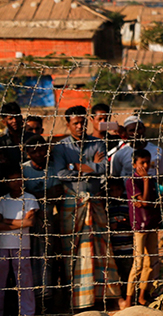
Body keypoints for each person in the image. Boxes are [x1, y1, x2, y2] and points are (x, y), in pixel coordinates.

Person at [51, 104, 121, 310]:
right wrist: (89, 167)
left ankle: (102, 296)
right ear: (68, 124)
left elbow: (104, 168)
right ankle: (78, 300)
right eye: (75, 123)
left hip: (95, 202)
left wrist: (75, 167)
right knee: (74, 250)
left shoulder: (97, 143)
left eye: (82, 122)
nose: (80, 127)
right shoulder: (61, 147)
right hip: (73, 205)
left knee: (100, 249)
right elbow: (61, 174)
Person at [21, 134, 60, 310]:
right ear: (27, 153)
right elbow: (22, 194)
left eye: (41, 150)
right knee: (30, 259)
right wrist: (44, 195)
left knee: (48, 258)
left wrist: (35, 196)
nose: (38, 154)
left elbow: (57, 192)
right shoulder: (24, 170)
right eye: (34, 151)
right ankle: (34, 298)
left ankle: (48, 297)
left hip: (49, 220)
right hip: (28, 222)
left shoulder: (53, 169)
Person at [123, 148, 162, 309]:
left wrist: (149, 202)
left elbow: (156, 202)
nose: (145, 166)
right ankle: (128, 298)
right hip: (139, 226)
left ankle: (142, 295)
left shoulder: (152, 180)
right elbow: (145, 202)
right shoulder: (132, 181)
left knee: (151, 263)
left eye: (147, 162)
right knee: (138, 263)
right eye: (142, 163)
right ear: (134, 164)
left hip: (152, 225)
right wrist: (145, 182)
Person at [0, 163, 39, 316]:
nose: (16, 182)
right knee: (1, 281)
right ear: (6, 182)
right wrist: (20, 223)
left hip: (22, 245)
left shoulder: (29, 198)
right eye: (13, 180)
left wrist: (6, 222)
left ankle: (27, 312)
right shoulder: (3, 200)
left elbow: (29, 222)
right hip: (2, 245)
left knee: (24, 281)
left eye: (19, 179)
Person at [106, 178, 134, 308]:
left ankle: (129, 298)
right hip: (114, 247)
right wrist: (110, 226)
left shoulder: (127, 205)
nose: (115, 193)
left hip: (128, 246)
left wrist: (125, 222)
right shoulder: (108, 206)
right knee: (115, 274)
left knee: (128, 274)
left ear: (122, 190)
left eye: (118, 190)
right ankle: (118, 298)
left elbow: (133, 222)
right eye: (112, 190)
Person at [0, 101, 26, 169]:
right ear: (4, 122)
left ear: (21, 117)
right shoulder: (2, 142)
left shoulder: (31, 138)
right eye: (10, 118)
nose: (15, 121)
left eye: (17, 117)